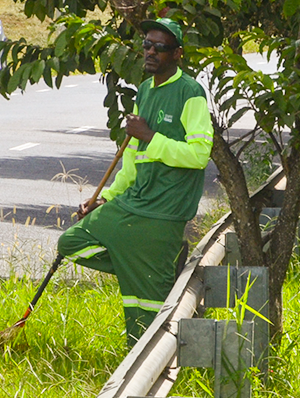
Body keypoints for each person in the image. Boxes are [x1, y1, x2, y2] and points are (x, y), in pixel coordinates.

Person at [57, 17, 211, 345]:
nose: (151, 52)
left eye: (161, 47)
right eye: (146, 45)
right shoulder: (144, 90)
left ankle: (149, 357)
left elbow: (199, 155)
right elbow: (133, 159)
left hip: (165, 210)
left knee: (147, 306)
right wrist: (108, 197)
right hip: (134, 202)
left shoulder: (190, 93)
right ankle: (143, 268)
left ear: (178, 53)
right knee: (71, 243)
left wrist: (150, 135)